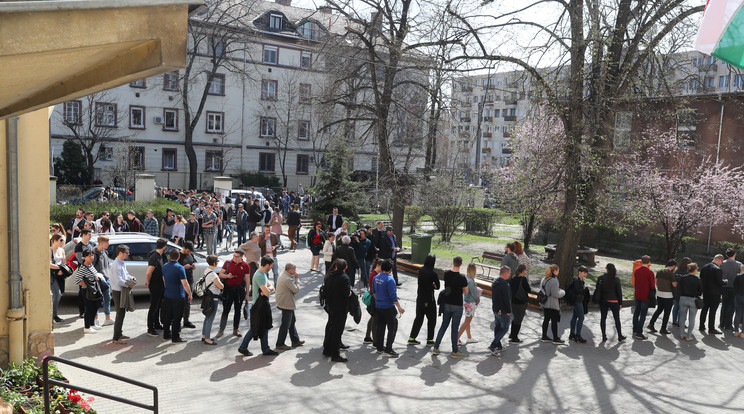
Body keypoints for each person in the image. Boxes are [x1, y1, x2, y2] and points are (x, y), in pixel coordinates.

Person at [238, 255, 278, 357]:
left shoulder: (262, 273)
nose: (271, 268)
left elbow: (270, 287)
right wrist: (268, 289)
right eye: (271, 266)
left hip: (262, 305)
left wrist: (268, 289)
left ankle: (265, 349)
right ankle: (243, 347)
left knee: (263, 327)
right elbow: (267, 291)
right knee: (255, 328)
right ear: (267, 265)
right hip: (259, 306)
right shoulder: (260, 275)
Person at [433, 256, 469, 358]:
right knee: (454, 328)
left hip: (447, 303)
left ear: (453, 262)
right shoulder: (462, 277)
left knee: (444, 326)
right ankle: (454, 350)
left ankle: (436, 347)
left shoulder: (447, 274)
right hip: (457, 305)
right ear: (461, 264)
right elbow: (466, 291)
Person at [372, 259, 405, 357]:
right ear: (390, 269)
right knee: (392, 327)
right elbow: (393, 296)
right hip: (388, 307)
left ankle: (379, 347)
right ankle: (389, 348)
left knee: (381, 327)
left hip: (378, 306)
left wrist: (379, 300)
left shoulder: (376, 278)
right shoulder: (390, 280)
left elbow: (374, 292)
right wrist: (399, 307)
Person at [217, 249, 252, 338]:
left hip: (239, 291)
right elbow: (221, 274)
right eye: (234, 256)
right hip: (228, 290)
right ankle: (221, 329)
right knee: (226, 310)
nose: (234, 258)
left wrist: (247, 294)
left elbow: (247, 280)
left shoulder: (245, 266)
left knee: (238, 310)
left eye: (237, 256)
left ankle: (236, 329)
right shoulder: (228, 263)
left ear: (242, 256)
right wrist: (227, 276)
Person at [322, 259, 351, 362]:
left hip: (330, 306)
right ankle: (335, 354)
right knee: (337, 331)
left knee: (331, 327)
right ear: (345, 267)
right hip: (340, 307)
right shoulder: (344, 278)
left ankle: (327, 350)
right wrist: (351, 293)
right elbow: (346, 293)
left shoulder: (329, 276)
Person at [161, 249, 192, 343]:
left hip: (167, 295)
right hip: (178, 296)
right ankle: (175, 337)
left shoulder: (164, 266)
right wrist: (190, 294)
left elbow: (164, 280)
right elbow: (185, 283)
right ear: (178, 257)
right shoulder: (179, 268)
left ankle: (166, 334)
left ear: (169, 256)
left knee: (167, 316)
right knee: (177, 317)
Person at [408, 253, 439, 346]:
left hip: (420, 297)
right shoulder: (433, 273)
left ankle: (412, 337)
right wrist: (432, 285)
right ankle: (430, 340)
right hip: (429, 299)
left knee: (418, 318)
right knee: (432, 319)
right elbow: (438, 286)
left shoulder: (421, 270)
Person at [275, 262, 304, 350]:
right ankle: (280, 343)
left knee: (292, 321)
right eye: (294, 269)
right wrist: (296, 279)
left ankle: (295, 340)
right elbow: (296, 290)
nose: (295, 271)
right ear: (290, 269)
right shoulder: (287, 278)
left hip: (284, 301)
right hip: (286, 303)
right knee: (286, 324)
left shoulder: (283, 274)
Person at [110, 245, 134, 344]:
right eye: (126, 252)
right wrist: (128, 285)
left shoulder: (122, 262)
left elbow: (126, 274)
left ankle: (119, 333)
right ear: (120, 253)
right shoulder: (116, 264)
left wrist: (131, 278)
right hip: (118, 291)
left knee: (122, 313)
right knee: (120, 314)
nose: (128, 254)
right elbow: (119, 280)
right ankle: (116, 338)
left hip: (122, 290)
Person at [145, 238, 168, 337]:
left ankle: (157, 324)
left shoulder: (161, 256)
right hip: (155, 285)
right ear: (164, 247)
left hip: (160, 285)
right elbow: (149, 272)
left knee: (158, 306)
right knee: (153, 307)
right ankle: (150, 328)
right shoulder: (154, 257)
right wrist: (148, 281)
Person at [597, 263, 625, 342]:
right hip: (614, 301)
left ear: (606, 269)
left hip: (604, 301)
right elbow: (619, 292)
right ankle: (619, 335)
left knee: (603, 318)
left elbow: (599, 291)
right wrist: (620, 303)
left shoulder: (601, 278)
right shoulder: (616, 279)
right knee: (617, 319)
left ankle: (603, 336)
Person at [75, 250, 102, 334]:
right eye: (89, 256)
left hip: (95, 289)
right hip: (87, 291)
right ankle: (87, 327)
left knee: (96, 306)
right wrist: (87, 285)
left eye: (92, 255)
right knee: (89, 308)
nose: (91, 257)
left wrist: (96, 278)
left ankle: (92, 324)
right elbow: (77, 280)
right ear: (84, 257)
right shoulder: (83, 267)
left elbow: (94, 274)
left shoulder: (91, 265)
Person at [648, 259, 678, 334]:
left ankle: (651, 323)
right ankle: (663, 328)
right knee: (667, 313)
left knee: (659, 310)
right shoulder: (671, 274)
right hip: (668, 295)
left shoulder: (659, 271)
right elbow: (674, 285)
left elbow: (656, 282)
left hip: (660, 294)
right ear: (673, 266)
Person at [488, 266, 512, 354]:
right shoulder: (505, 285)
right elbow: (506, 299)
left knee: (497, 327)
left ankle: (498, 346)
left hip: (495, 308)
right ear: (505, 273)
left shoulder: (495, 282)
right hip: (503, 310)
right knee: (505, 328)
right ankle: (493, 345)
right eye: (509, 273)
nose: (510, 275)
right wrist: (509, 311)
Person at [201, 255, 224, 345]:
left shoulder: (207, 270)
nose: (218, 262)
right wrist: (222, 284)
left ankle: (204, 335)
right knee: (210, 318)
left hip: (208, 297)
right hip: (213, 299)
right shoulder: (213, 274)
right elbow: (220, 286)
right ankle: (207, 338)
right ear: (214, 263)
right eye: (217, 261)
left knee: (207, 317)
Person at [74, 229, 97, 318]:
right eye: (88, 234)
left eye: (90, 234)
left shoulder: (92, 244)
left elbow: (95, 256)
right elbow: (80, 260)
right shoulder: (79, 246)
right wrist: (87, 262)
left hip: (92, 270)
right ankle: (82, 311)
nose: (90, 236)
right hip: (84, 271)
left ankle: (90, 310)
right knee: (82, 292)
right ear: (83, 235)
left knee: (91, 290)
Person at [540, 265, 566, 344]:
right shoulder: (554, 281)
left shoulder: (544, 279)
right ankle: (555, 338)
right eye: (558, 270)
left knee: (546, 320)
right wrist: (562, 292)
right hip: (552, 304)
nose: (558, 272)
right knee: (554, 321)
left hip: (545, 303)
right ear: (554, 271)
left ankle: (544, 336)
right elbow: (556, 294)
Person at [699, 254, 725, 334]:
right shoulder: (718, 269)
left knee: (704, 309)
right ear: (719, 260)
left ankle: (701, 326)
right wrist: (725, 281)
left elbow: (701, 278)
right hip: (715, 293)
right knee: (712, 311)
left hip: (706, 292)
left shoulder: (704, 267)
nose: (721, 264)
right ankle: (711, 328)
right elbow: (719, 282)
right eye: (721, 262)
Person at [632, 255, 655, 340]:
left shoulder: (636, 270)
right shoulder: (650, 272)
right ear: (649, 262)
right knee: (643, 314)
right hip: (646, 295)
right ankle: (639, 332)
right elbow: (652, 285)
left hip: (637, 294)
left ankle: (634, 329)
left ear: (641, 261)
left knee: (636, 312)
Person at [92, 236, 113, 327]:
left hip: (106, 279)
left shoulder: (105, 252)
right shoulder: (94, 253)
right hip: (98, 280)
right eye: (107, 242)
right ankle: (95, 319)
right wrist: (95, 277)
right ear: (101, 243)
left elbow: (107, 266)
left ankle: (107, 318)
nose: (108, 244)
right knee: (97, 300)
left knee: (107, 298)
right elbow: (90, 267)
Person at [678, 263, 702, 341]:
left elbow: (679, 288)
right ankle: (688, 335)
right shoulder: (698, 279)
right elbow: (700, 291)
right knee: (692, 319)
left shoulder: (683, 278)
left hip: (683, 298)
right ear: (695, 269)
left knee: (682, 317)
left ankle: (682, 334)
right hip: (693, 299)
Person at [457, 263, 480, 345]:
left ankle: (469, 337)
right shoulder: (471, 280)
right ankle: (457, 338)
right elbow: (474, 293)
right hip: (471, 302)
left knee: (467, 320)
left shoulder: (466, 278)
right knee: (467, 321)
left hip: (466, 301)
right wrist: (478, 299)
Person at [508, 264, 531, 343]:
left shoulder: (513, 278)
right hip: (521, 302)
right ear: (523, 270)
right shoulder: (523, 279)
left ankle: (512, 334)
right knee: (519, 319)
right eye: (525, 270)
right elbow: (528, 290)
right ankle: (515, 338)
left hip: (513, 301)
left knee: (515, 318)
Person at [719, 249, 740, 331]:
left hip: (724, 286)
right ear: (735, 254)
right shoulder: (739, 264)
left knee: (724, 305)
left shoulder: (722, 264)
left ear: (727, 255)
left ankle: (721, 323)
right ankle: (728, 325)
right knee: (731, 306)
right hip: (734, 287)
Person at [178, 242, 197, 329]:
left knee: (188, 301)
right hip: (181, 282)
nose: (189, 253)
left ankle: (186, 320)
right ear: (184, 247)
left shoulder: (191, 255)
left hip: (190, 281)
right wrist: (183, 267)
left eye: (190, 252)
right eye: (188, 251)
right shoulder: (178, 255)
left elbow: (193, 262)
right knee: (180, 302)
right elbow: (175, 267)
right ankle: (176, 321)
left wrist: (193, 266)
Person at [568, 266, 588, 343]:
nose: (585, 274)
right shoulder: (576, 280)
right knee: (581, 318)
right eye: (584, 273)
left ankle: (572, 333)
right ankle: (578, 335)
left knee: (574, 317)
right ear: (579, 272)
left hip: (579, 301)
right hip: (577, 301)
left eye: (586, 273)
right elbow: (577, 290)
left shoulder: (581, 280)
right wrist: (585, 288)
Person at [49, 234, 66, 323]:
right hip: (53, 275)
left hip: (60, 275)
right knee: (57, 294)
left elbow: (64, 262)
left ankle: (53, 314)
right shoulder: (50, 250)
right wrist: (59, 268)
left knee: (60, 294)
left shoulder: (62, 250)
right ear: (55, 240)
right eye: (61, 240)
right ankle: (54, 315)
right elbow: (49, 264)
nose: (62, 242)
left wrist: (62, 270)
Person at [672, 257, 692, 327]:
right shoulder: (687, 272)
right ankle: (681, 322)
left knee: (676, 306)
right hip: (684, 292)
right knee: (682, 309)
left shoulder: (677, 270)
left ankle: (674, 321)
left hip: (677, 290)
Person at [733, 265, 744, 337]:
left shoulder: (738, 277)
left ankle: (736, 331)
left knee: (738, 314)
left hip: (739, 296)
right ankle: (743, 333)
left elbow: (734, 286)